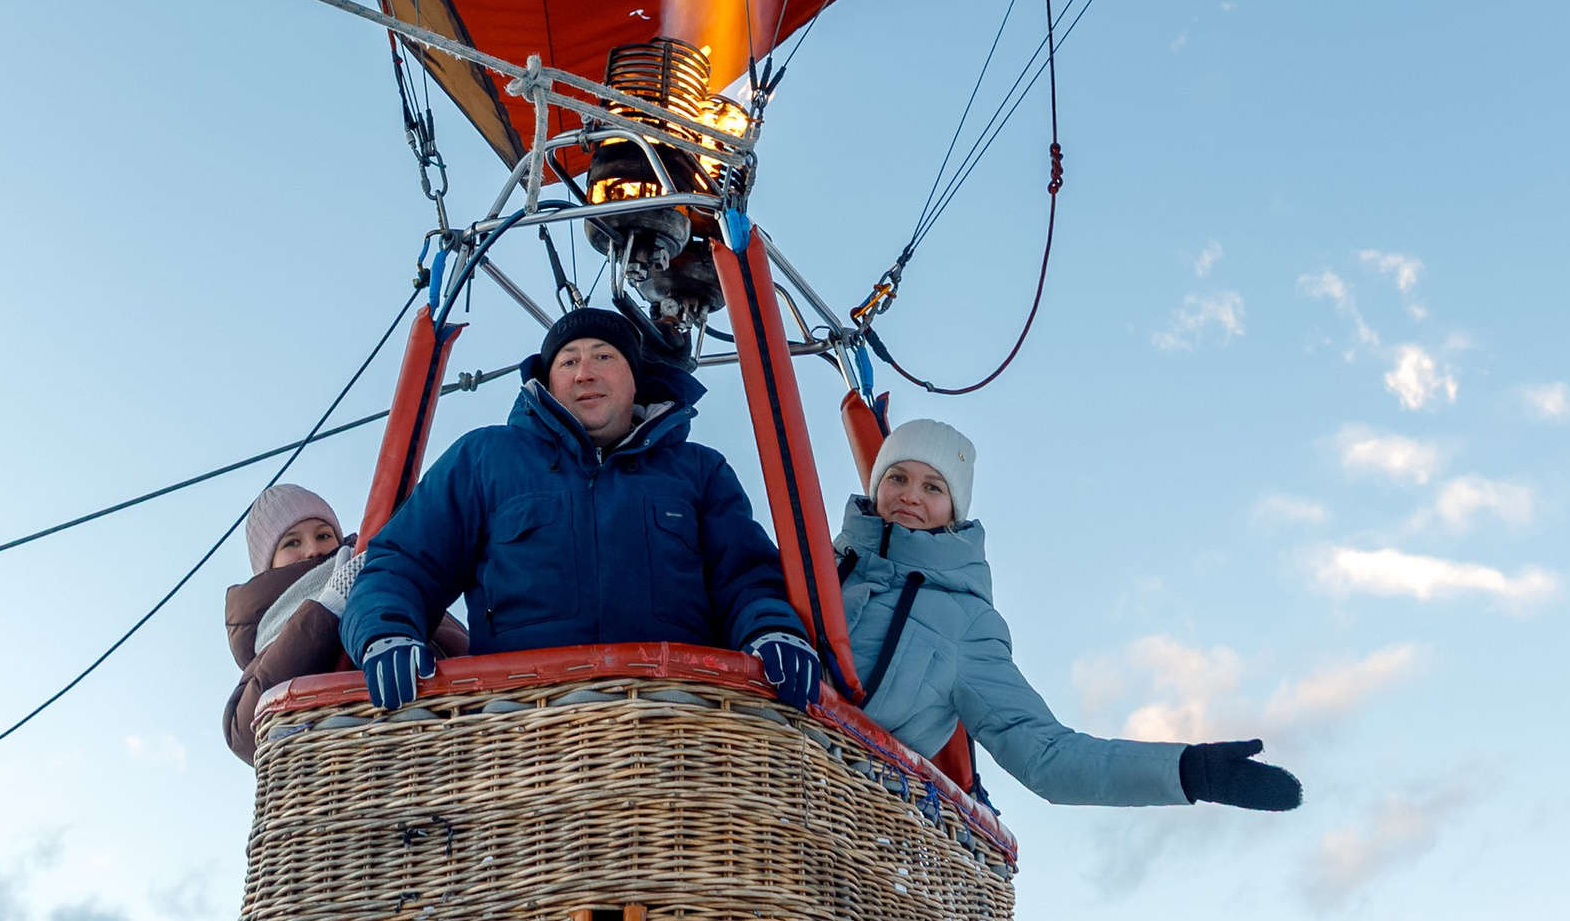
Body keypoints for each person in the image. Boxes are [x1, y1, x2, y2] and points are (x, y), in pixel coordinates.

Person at [342, 304, 824, 713]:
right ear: (549, 384)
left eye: (603, 357)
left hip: (672, 720)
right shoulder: (485, 459)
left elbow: (745, 577)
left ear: (636, 380)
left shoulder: (698, 472)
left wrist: (773, 632)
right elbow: (404, 562)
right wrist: (386, 633)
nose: (585, 372)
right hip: (520, 723)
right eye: (568, 362)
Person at [837, 418, 1303, 816]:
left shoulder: (966, 623)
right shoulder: (818, 560)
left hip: (836, 798)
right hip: (764, 751)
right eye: (897, 477)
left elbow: (1046, 754)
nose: (910, 496)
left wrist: (1191, 771)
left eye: (932, 487)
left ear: (955, 511)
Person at [221, 480, 463, 763]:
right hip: (338, 773)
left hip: (434, 745)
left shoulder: (374, 571)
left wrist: (394, 600)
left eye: (323, 535)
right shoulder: (271, 632)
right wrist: (325, 609)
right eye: (292, 542)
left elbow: (458, 645)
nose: (313, 550)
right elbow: (245, 733)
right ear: (268, 565)